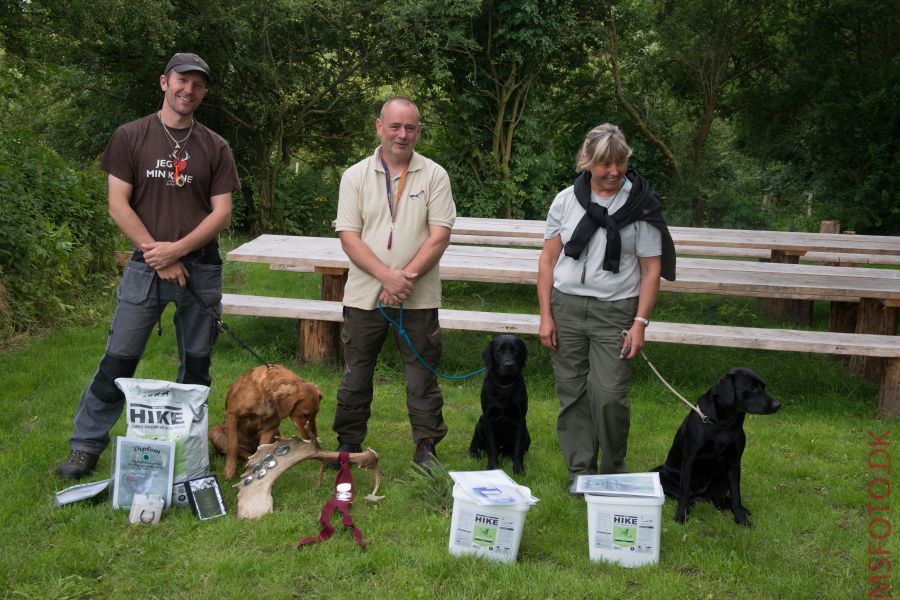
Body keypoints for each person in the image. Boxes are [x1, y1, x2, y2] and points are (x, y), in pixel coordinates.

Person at [55, 52, 240, 479]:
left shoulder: (215, 146)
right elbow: (117, 204)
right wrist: (158, 255)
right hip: (145, 268)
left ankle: (190, 450)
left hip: (202, 271)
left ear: (204, 92)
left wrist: (177, 252)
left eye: (197, 85)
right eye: (181, 81)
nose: (188, 90)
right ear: (164, 82)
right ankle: (85, 447)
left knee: (196, 367)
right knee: (119, 360)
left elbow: (221, 214)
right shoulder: (131, 136)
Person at [536, 123, 676, 491]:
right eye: (605, 164)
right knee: (572, 393)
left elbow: (651, 269)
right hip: (566, 307)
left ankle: (613, 470)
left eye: (620, 163)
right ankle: (580, 473)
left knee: (609, 395)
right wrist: (546, 316)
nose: (614, 172)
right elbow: (548, 261)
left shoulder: (640, 205)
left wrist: (640, 322)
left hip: (615, 311)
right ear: (588, 163)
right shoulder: (566, 201)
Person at [332, 96, 456, 469]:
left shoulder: (435, 174)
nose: (402, 135)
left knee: (422, 378)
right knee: (356, 375)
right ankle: (348, 445)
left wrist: (404, 280)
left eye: (410, 127)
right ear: (379, 127)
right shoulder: (354, 176)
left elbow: (439, 235)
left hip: (418, 297)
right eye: (395, 126)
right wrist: (387, 277)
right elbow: (349, 236)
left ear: (418, 131)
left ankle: (426, 448)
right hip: (364, 294)